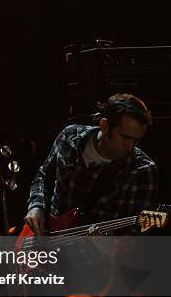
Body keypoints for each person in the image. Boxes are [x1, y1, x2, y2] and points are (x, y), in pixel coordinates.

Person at [24, 93, 158, 235]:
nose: (130, 147)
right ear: (104, 126)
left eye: (136, 140)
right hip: (45, 235)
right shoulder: (69, 137)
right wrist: (36, 206)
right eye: (125, 137)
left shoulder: (143, 170)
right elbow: (43, 176)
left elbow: (134, 234)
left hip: (91, 255)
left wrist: (110, 247)